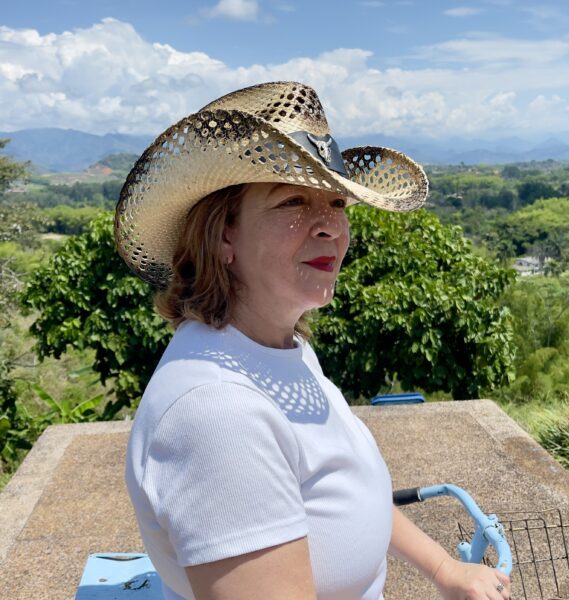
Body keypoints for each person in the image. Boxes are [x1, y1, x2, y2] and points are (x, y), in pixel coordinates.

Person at [117, 81, 511, 600]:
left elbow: (344, 491)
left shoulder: (278, 347)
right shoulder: (217, 411)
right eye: (294, 202)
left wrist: (443, 568)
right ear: (222, 235)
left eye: (338, 202)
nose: (329, 226)